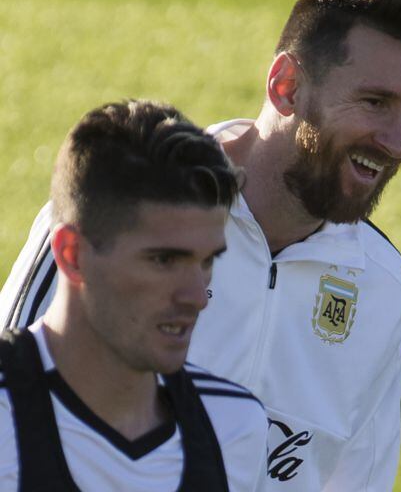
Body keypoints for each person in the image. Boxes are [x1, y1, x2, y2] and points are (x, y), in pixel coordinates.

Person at [1, 0, 401, 490]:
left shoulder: (382, 286)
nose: (397, 141)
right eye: (375, 102)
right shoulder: (123, 210)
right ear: (287, 87)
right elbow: (17, 393)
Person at [0, 100, 265, 490]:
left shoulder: (235, 426)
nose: (197, 296)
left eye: (207, 261)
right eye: (163, 260)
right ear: (73, 255)